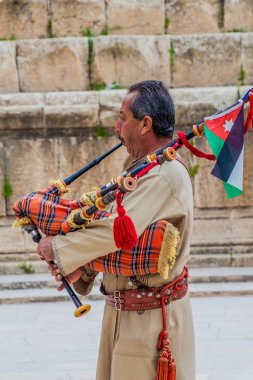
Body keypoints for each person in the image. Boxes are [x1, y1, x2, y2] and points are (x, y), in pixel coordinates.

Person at [37, 80, 195, 380]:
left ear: (145, 124)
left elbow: (117, 232)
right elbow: (121, 237)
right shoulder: (143, 169)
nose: (117, 126)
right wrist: (83, 268)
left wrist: (58, 248)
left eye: (123, 117)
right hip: (125, 314)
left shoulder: (164, 174)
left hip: (150, 324)